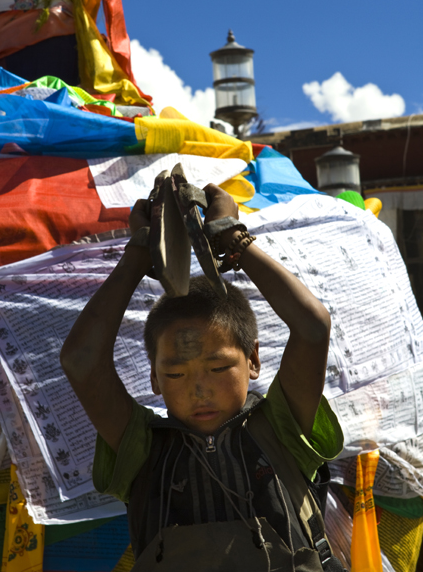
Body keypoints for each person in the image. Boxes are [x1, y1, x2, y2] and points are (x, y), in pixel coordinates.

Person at [61, 183, 345, 571]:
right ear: (155, 380)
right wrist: (138, 255)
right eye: (176, 373)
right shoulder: (140, 446)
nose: (199, 389)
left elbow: (313, 326)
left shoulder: (282, 426)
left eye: (218, 368)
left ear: (253, 360)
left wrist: (234, 238)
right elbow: (80, 360)